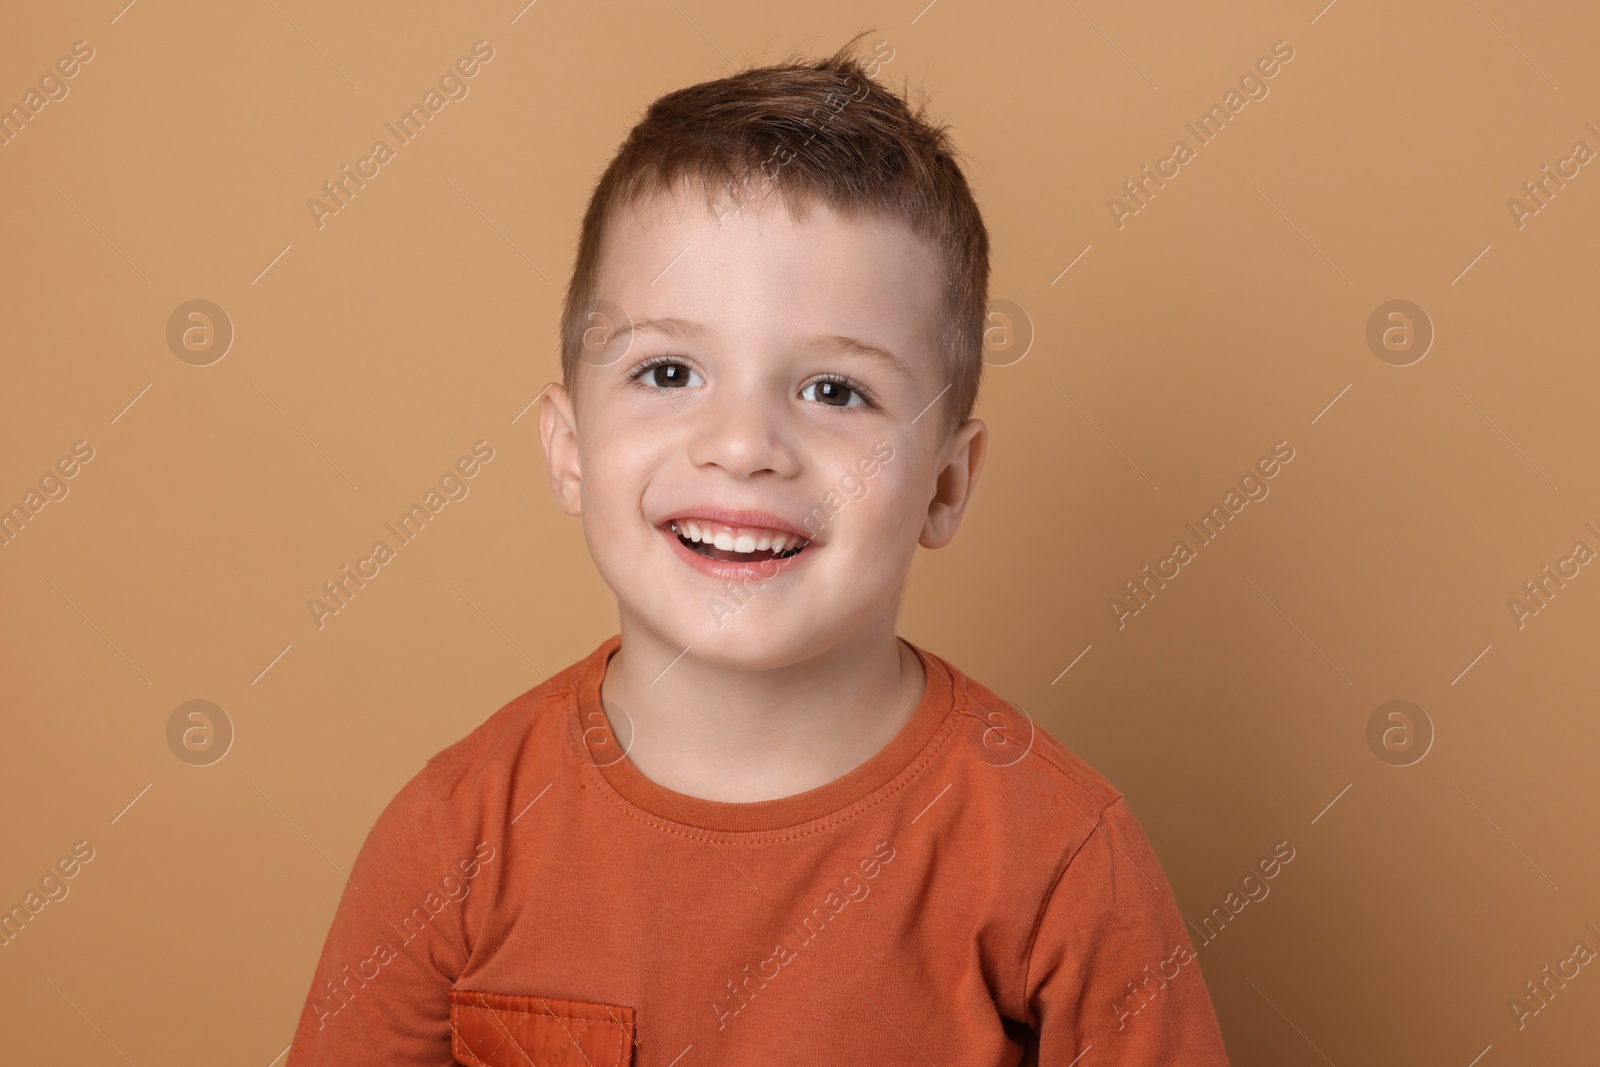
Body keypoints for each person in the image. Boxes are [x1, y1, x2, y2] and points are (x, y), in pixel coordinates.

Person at [287, 31, 1230, 1066]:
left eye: (834, 390)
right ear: (568, 448)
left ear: (945, 483)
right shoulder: (452, 839)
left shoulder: (1059, 853)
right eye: (668, 371)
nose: (741, 445)